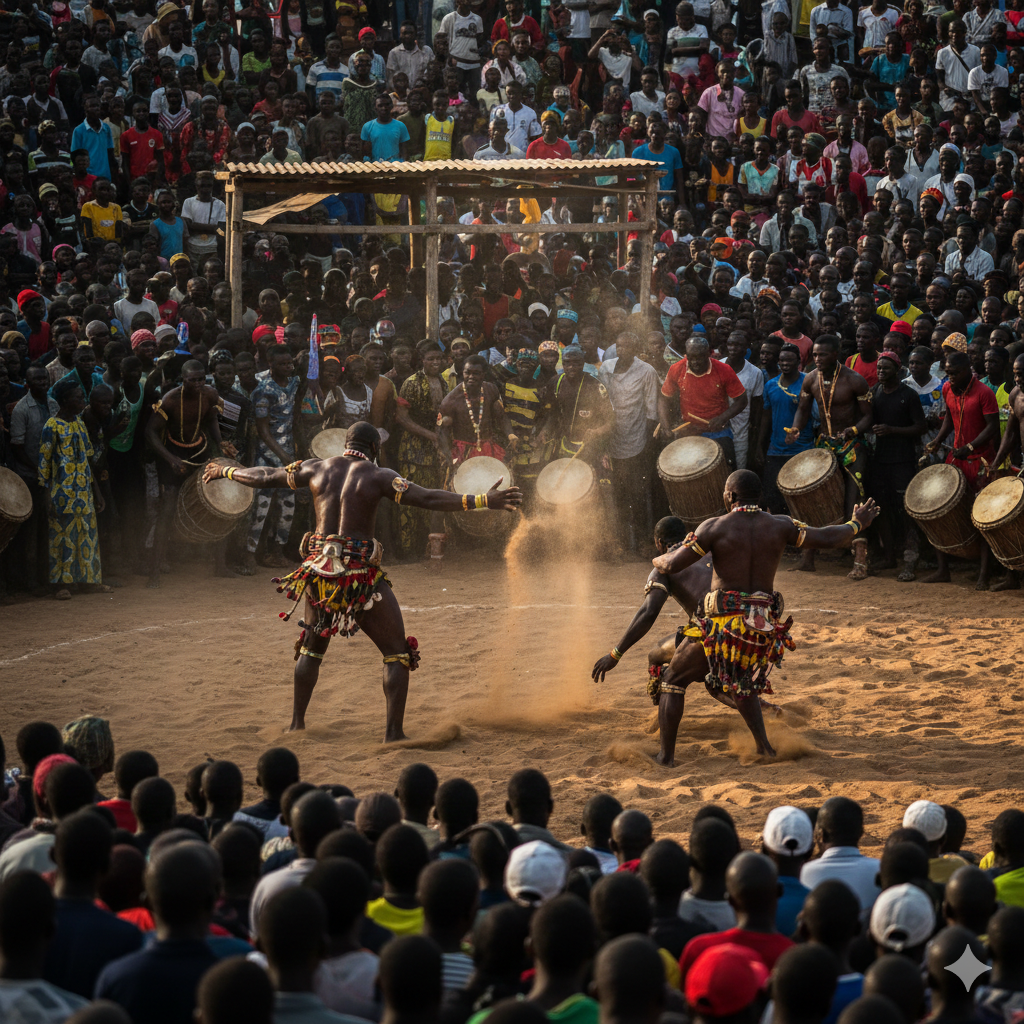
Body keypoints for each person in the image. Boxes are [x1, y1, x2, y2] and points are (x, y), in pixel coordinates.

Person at [201, 421, 521, 735]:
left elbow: (266, 475)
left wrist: (227, 471)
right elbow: (426, 498)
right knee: (396, 652)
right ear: (375, 448)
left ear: (345, 446)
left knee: (312, 647)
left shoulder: (317, 467)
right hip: (358, 578)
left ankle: (297, 724)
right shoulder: (379, 475)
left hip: (320, 574)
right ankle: (393, 733)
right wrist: (482, 500)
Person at [650, 470, 879, 761]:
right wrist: (857, 522)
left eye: (725, 492)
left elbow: (673, 563)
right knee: (741, 683)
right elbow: (828, 537)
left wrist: (658, 558)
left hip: (725, 625)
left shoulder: (714, 527)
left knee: (672, 678)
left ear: (731, 496)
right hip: (761, 626)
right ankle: (764, 748)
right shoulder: (780, 525)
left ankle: (665, 757)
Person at [786, 335, 872, 579]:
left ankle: (860, 561)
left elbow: (868, 416)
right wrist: (795, 429)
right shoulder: (810, 378)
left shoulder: (855, 380)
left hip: (852, 446)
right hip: (824, 446)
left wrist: (852, 431)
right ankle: (808, 558)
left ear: (836, 354)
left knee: (854, 499)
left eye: (822, 355)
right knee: (814, 498)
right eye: (814, 354)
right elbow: (802, 410)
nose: (817, 359)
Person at [145, 358, 228, 588]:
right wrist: (171, 459)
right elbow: (150, 432)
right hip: (174, 456)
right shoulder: (170, 399)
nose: (199, 383)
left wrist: (220, 444)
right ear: (184, 380)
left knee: (216, 502)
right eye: (193, 380)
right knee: (168, 509)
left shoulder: (210, 394)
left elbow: (212, 418)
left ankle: (220, 565)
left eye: (202, 379)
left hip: (200, 452)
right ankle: (155, 571)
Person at [922, 349, 999, 588]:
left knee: (981, 517)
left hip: (980, 461)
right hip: (955, 459)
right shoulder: (947, 388)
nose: (950, 376)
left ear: (967, 370)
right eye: (948, 372)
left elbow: (993, 427)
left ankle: (983, 575)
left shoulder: (984, 393)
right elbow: (949, 418)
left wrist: (971, 445)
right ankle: (943, 569)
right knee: (939, 510)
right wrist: (938, 440)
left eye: (954, 373)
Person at [658, 335, 748, 469]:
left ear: (709, 354)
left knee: (726, 470)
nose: (695, 362)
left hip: (718, 431)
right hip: (689, 430)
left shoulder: (724, 370)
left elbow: (742, 401)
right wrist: (665, 427)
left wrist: (722, 418)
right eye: (691, 357)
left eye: (699, 357)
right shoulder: (676, 369)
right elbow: (663, 398)